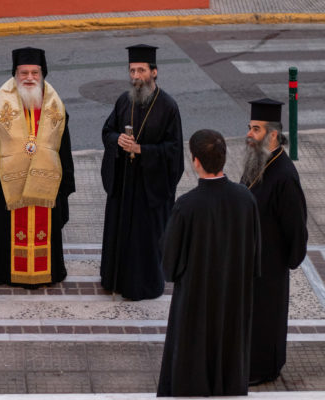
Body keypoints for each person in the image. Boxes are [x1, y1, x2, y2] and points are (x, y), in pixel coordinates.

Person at [157, 129, 261, 397]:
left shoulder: (186, 206)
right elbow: (255, 256)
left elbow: (169, 266)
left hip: (195, 304)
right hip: (233, 300)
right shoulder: (245, 199)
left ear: (196, 161)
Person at [0, 47, 75, 287]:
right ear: (15, 74)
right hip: (8, 185)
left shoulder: (55, 104)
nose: (29, 78)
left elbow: (64, 147)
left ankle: (47, 272)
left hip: (47, 184)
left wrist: (65, 183)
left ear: (42, 74)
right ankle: (7, 273)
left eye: (34, 73)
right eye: (24, 73)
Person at [100, 44, 184, 300]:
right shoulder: (124, 100)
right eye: (132, 71)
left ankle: (144, 286)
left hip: (150, 189)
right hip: (124, 183)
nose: (136, 76)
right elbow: (107, 131)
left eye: (141, 70)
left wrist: (141, 149)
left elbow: (174, 151)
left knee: (143, 241)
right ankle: (113, 280)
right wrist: (118, 141)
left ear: (154, 72)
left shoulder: (168, 107)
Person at [241, 98, 308, 385]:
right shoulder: (257, 161)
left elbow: (296, 228)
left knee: (266, 319)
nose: (249, 134)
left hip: (269, 266)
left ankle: (264, 369)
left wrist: (285, 261)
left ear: (272, 135)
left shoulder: (284, 176)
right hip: (250, 261)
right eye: (249, 127)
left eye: (255, 129)